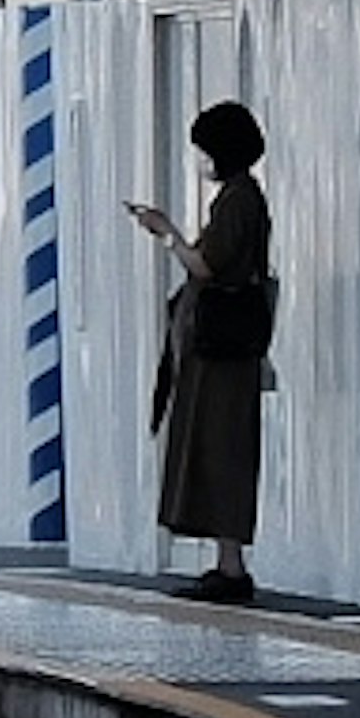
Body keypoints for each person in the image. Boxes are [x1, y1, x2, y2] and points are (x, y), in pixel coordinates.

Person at [131, 99, 275, 595]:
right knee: (220, 446)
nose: (200, 160)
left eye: (204, 150)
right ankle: (227, 560)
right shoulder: (241, 198)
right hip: (224, 346)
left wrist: (167, 233)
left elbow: (207, 265)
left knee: (221, 446)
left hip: (223, 348)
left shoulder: (237, 202)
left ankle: (231, 567)